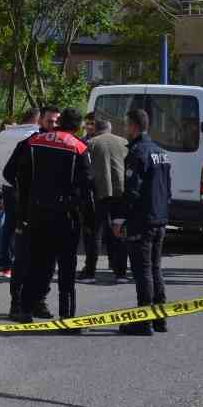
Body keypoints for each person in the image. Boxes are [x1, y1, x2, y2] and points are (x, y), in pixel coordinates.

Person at [5, 107, 94, 332]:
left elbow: (9, 173)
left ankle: (25, 310)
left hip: (35, 214)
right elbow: (86, 189)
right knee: (66, 269)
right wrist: (90, 221)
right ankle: (67, 318)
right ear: (77, 127)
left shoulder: (33, 142)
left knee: (36, 263)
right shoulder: (79, 147)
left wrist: (26, 196)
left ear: (60, 122)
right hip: (66, 217)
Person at [118, 107, 172, 336]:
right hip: (160, 218)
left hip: (142, 220)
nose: (125, 128)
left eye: (127, 124)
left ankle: (144, 321)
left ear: (134, 126)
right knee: (155, 269)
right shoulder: (162, 152)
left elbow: (132, 192)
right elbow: (167, 189)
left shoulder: (138, 153)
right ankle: (160, 318)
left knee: (143, 272)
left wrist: (121, 219)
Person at [0, 108, 39, 274]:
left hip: (3, 186)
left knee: (5, 226)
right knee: (5, 226)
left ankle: (0, 260)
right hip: (8, 188)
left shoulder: (0, 138)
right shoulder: (33, 136)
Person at [80, 114, 130, 283]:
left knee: (96, 234)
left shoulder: (90, 143)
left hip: (99, 194)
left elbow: (86, 171)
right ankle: (121, 271)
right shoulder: (124, 142)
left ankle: (90, 271)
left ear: (96, 130)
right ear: (110, 129)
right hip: (121, 194)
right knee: (119, 231)